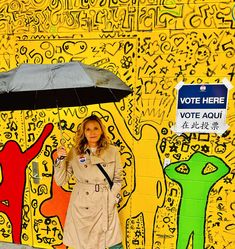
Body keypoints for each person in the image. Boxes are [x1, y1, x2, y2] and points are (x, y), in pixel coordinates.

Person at [54, 115, 124, 249]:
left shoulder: (112, 151)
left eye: (96, 128)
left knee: (114, 244)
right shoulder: (75, 152)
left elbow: (118, 179)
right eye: (88, 129)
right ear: (83, 132)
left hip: (105, 201)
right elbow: (61, 180)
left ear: (101, 130)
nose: (92, 132)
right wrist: (60, 160)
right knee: (86, 244)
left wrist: (111, 197)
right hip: (82, 205)